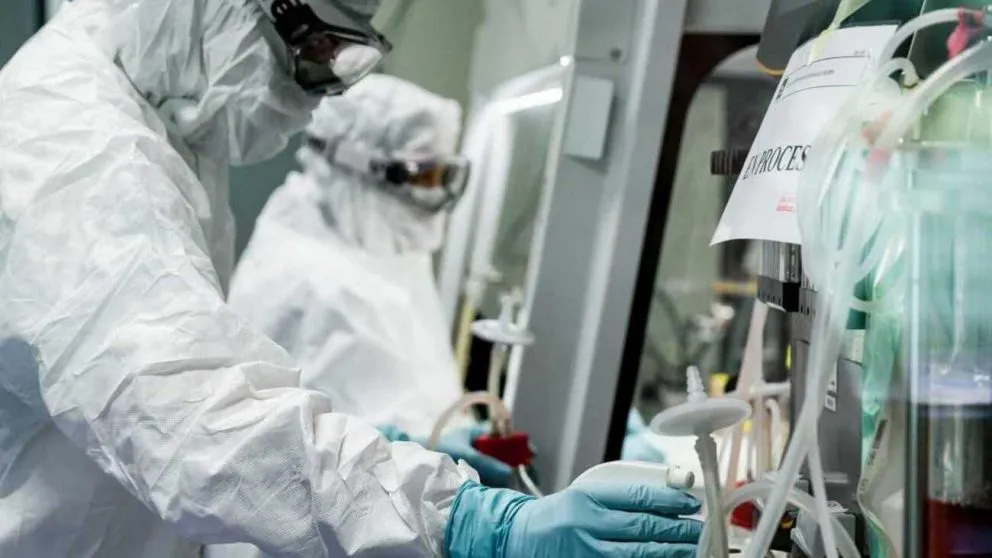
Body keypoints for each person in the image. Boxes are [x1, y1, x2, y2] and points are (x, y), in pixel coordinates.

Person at [0, 0, 704, 556]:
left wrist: (396, 447)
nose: (311, 98)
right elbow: (195, 420)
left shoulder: (160, 124)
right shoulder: (73, 148)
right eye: (309, 49)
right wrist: (467, 520)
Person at [226, 73, 512, 487]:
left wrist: (450, 438)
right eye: (422, 176)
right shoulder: (304, 280)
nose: (434, 200)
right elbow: (303, 458)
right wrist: (418, 450)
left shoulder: (380, 255)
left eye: (443, 177)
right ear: (359, 169)